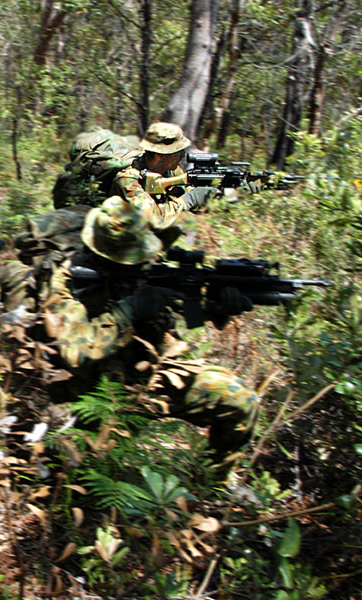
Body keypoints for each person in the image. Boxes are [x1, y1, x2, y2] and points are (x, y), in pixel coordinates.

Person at [30, 195, 259, 478]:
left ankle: (213, 487)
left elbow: (187, 306)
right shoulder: (66, 282)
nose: (139, 262)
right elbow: (74, 351)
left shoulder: (146, 266)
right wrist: (130, 309)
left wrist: (218, 307)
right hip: (96, 393)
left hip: (151, 378)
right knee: (75, 474)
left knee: (239, 400)